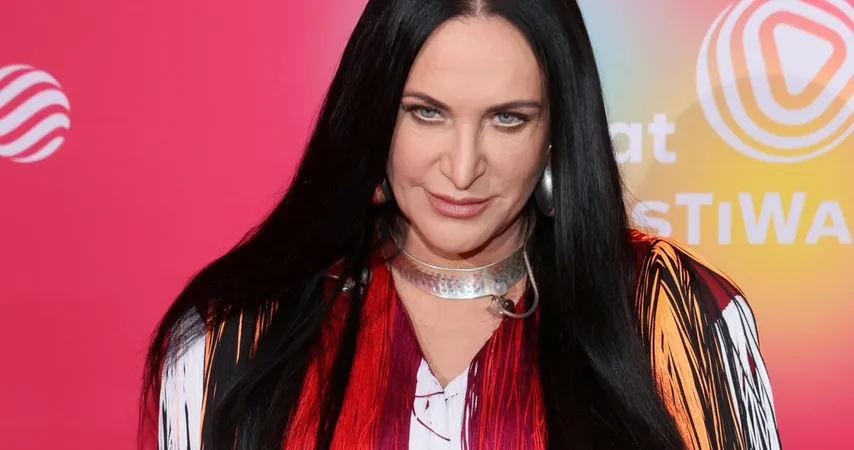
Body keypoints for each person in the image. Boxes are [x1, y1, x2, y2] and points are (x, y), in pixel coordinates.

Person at [140, 1, 781, 449]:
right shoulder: (237, 334)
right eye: (427, 113)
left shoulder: (671, 311)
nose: (463, 166)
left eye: (507, 119)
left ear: (556, 132)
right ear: (373, 117)